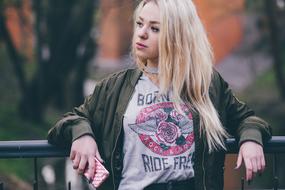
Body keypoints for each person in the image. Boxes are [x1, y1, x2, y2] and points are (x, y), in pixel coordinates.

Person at [47, 0, 272, 190]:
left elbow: (247, 119)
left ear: (177, 36)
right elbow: (70, 121)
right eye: (139, 24)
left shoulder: (206, 84)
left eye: (155, 28)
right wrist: (82, 135)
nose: (141, 33)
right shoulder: (114, 87)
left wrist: (251, 139)